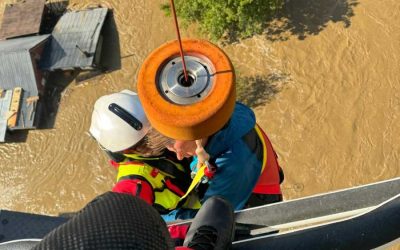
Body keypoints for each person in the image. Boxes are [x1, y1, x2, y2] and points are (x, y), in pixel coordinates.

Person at [162, 102, 284, 220]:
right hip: (245, 182)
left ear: (196, 131)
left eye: (178, 149)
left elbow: (209, 217)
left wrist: (162, 219)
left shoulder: (232, 162)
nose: (179, 157)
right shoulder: (225, 113)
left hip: (257, 214)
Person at [89, 90, 201, 216]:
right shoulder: (134, 181)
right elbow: (118, 207)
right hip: (184, 211)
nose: (155, 138)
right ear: (126, 150)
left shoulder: (158, 129)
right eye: (144, 142)